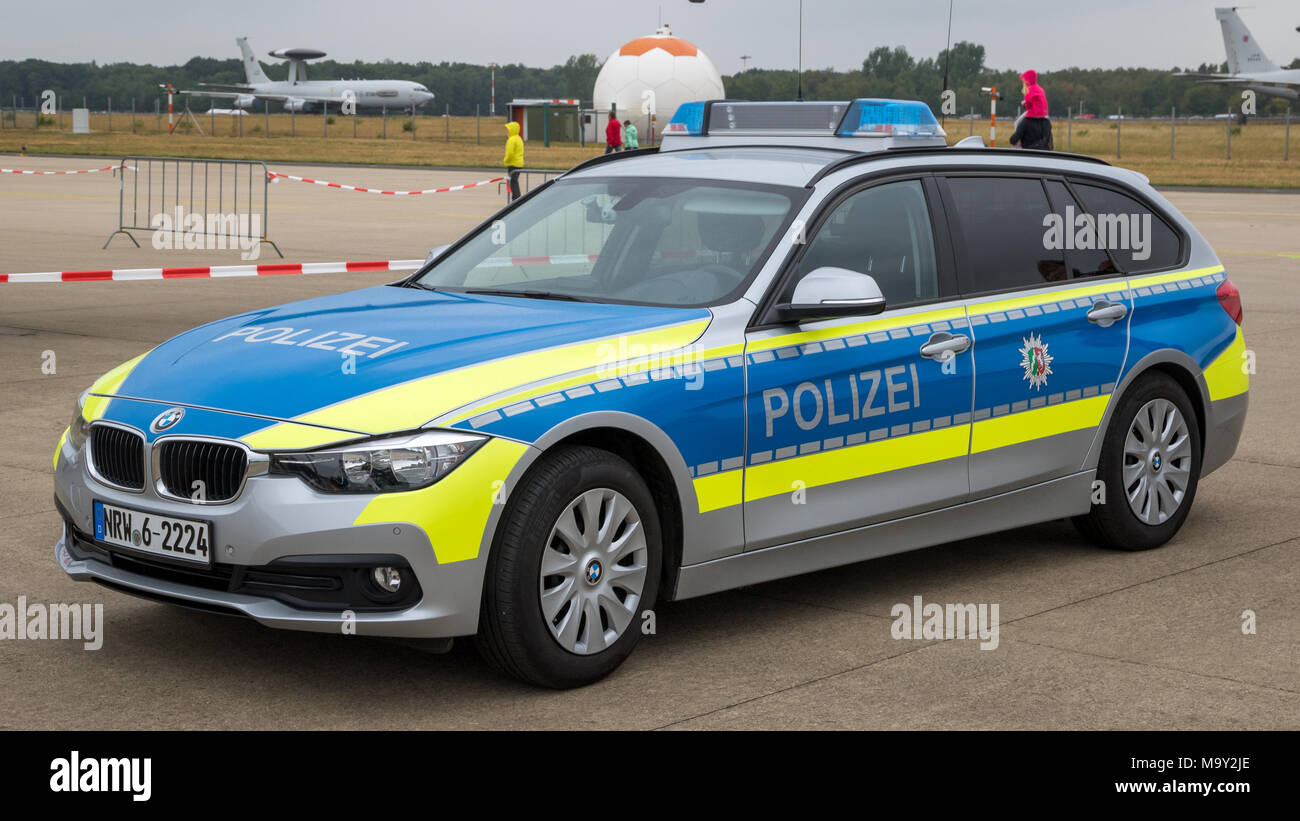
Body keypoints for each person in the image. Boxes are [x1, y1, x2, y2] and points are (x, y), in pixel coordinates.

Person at [1009, 69, 1053, 151]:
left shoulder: (1025, 122)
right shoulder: (1046, 122)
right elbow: (1048, 142)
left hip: (1029, 156)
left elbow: (1013, 140)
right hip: (1044, 157)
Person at [502, 121, 524, 200]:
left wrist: (505, 160)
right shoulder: (519, 138)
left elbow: (510, 153)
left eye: (508, 129)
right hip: (519, 163)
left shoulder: (511, 140)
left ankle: (516, 199)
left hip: (513, 164)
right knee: (514, 182)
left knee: (513, 183)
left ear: (512, 130)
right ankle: (516, 198)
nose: (506, 131)